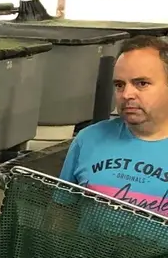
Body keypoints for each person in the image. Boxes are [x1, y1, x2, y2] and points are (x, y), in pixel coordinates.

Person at [60, 35, 168, 216]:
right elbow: (61, 212)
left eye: (141, 83)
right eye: (119, 85)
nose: (126, 94)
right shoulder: (88, 139)